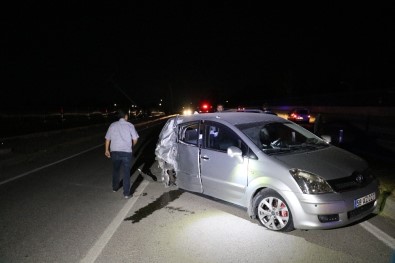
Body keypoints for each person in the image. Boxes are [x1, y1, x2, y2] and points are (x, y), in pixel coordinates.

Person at [105, 108, 139, 199]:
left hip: (114, 151)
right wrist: (131, 146)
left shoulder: (112, 125)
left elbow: (108, 139)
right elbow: (135, 139)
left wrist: (106, 150)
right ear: (126, 116)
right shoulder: (130, 125)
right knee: (126, 173)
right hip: (126, 152)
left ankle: (115, 188)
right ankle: (126, 193)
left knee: (116, 170)